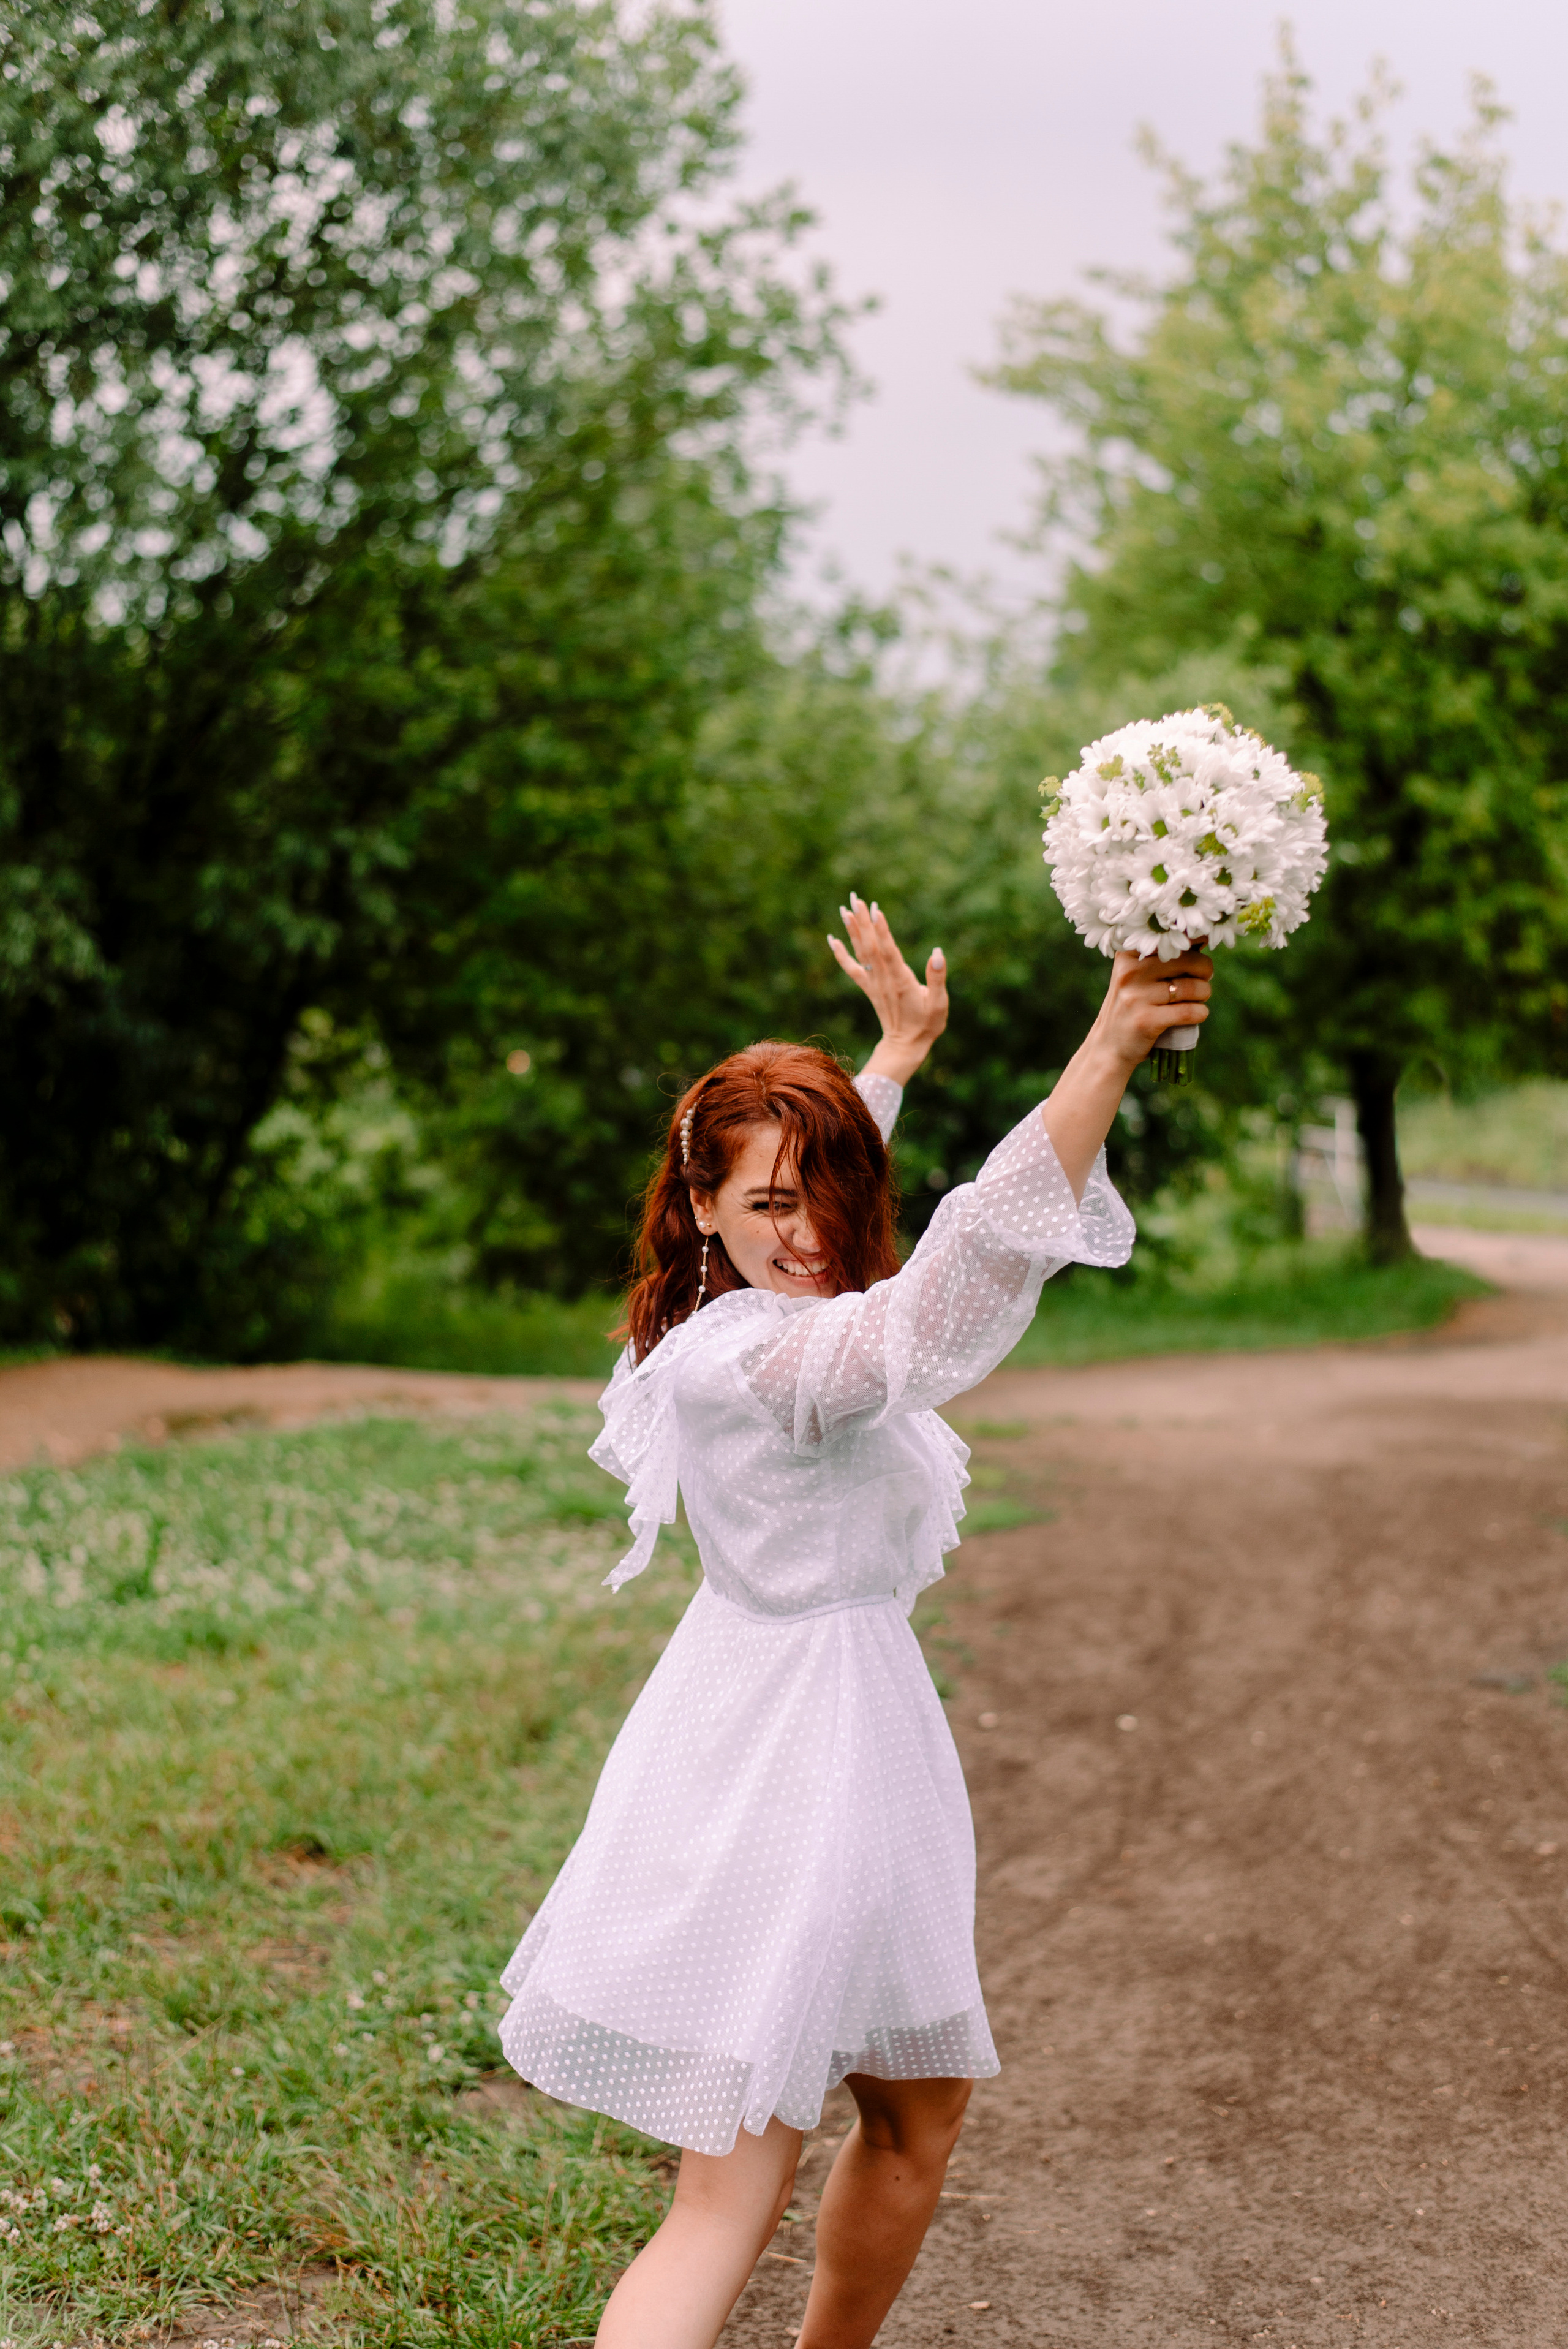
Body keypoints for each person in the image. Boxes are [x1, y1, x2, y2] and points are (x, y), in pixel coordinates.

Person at [498, 899, 1213, 2349]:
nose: (811, 1232)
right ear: (697, 1207)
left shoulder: (704, 1320)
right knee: (731, 2182)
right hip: (802, 1764)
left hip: (775, 1725)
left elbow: (810, 1210)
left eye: (826, 1189)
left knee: (906, 2112)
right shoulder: (774, 1366)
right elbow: (938, 1290)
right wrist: (1106, 1046)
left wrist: (888, 1060)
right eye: (764, 1205)